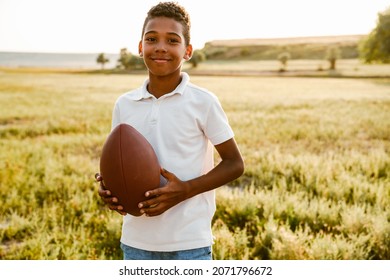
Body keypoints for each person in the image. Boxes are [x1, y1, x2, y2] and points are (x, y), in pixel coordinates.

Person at [96, 1, 244, 260]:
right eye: (152, 39)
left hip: (189, 243)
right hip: (136, 243)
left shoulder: (203, 101)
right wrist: (111, 191)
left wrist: (186, 189)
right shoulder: (125, 104)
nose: (161, 47)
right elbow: (122, 161)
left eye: (172, 40)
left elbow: (234, 163)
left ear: (187, 51)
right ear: (141, 47)